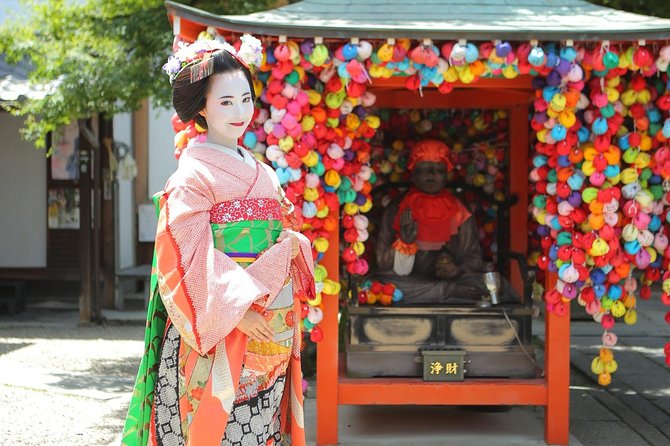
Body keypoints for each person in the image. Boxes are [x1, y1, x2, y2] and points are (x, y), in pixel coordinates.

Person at [121, 36, 314, 446]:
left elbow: (280, 232)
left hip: (270, 324)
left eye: (245, 99)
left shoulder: (262, 171)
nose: (240, 112)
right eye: (226, 102)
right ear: (201, 108)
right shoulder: (191, 176)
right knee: (215, 429)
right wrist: (235, 311)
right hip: (218, 323)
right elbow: (186, 254)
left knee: (259, 429)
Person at [368, 139, 513, 304]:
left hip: (454, 281)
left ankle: (446, 289)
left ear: (446, 174)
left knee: (497, 286)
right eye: (424, 169)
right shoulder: (396, 209)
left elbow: (474, 258)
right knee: (378, 285)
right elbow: (382, 263)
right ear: (413, 174)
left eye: (438, 169)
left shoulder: (460, 210)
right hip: (410, 284)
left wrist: (457, 269)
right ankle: (445, 291)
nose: (431, 174)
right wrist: (403, 244)